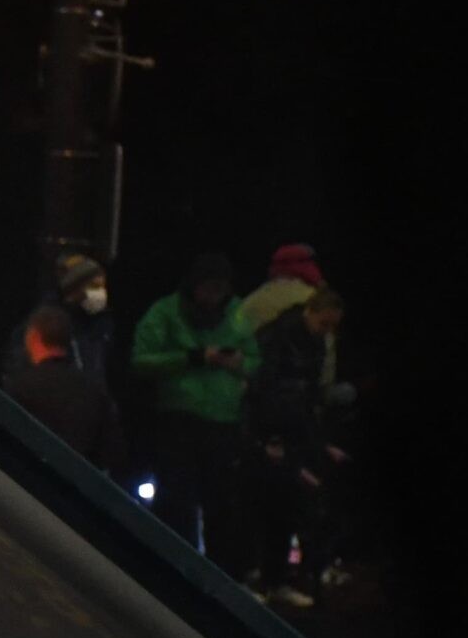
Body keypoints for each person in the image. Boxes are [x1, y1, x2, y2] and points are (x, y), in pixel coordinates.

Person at [130, 252, 261, 564]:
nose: (215, 296)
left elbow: (257, 360)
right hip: (179, 421)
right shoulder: (166, 311)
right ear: (195, 285)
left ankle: (222, 575)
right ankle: (176, 567)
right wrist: (193, 358)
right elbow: (140, 361)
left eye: (221, 288)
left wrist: (242, 364)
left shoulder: (237, 313)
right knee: (178, 501)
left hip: (223, 423)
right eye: (210, 287)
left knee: (223, 505)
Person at [247, 287, 349, 607]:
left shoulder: (315, 343)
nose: (327, 331)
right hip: (268, 432)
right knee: (264, 505)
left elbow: (307, 397)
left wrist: (316, 441)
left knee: (289, 507)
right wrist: (267, 437)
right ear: (311, 311)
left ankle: (276, 579)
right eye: (324, 323)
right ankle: (258, 577)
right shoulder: (278, 336)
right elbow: (263, 387)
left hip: (294, 431)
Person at [2, 303, 128, 471]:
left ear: (33, 337)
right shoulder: (94, 391)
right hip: (78, 485)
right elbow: (113, 452)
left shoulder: (20, 386)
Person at [1, 250, 115, 393]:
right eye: (93, 286)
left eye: (102, 286)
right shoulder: (45, 324)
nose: (100, 293)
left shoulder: (100, 323)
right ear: (74, 290)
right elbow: (17, 368)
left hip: (87, 405)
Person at [238, 241, 339, 393]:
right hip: (300, 397)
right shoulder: (316, 300)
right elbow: (326, 356)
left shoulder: (251, 301)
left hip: (255, 397)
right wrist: (324, 392)